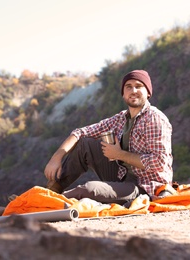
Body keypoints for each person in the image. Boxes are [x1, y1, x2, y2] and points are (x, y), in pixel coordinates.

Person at [44, 69, 173, 205]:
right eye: (128, 87)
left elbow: (159, 162)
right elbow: (80, 132)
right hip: (121, 175)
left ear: (148, 93)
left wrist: (120, 154)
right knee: (85, 144)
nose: (133, 90)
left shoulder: (155, 119)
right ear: (123, 94)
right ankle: (54, 190)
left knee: (89, 189)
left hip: (145, 186)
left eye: (139, 86)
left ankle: (50, 202)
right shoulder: (121, 118)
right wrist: (56, 158)